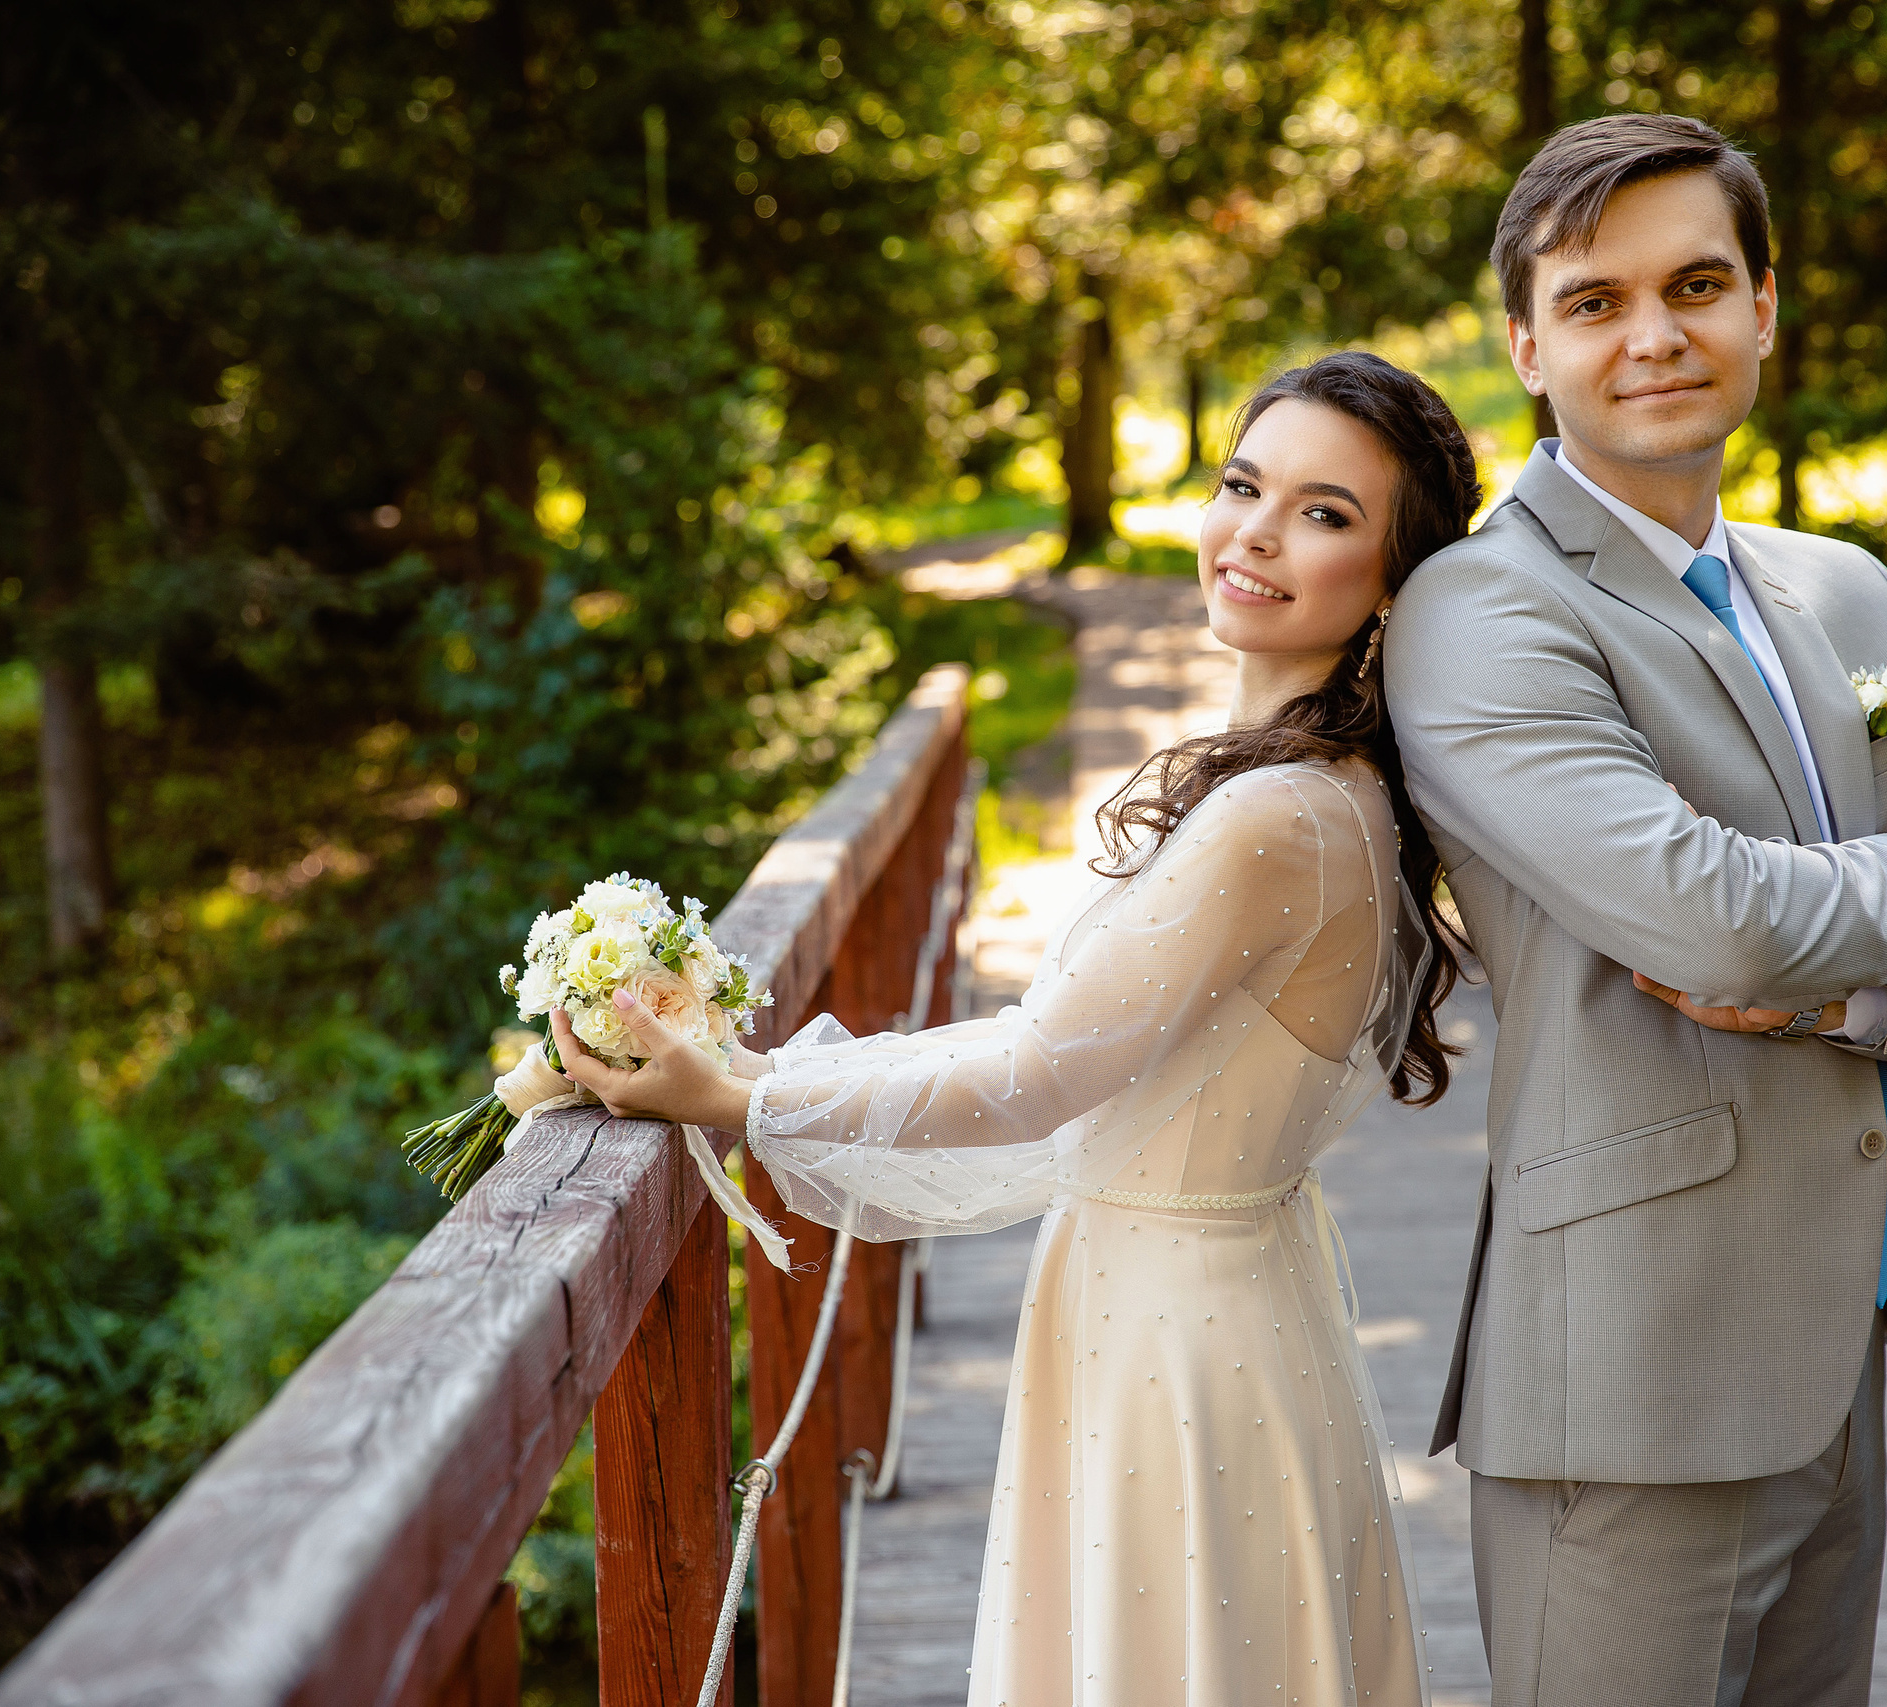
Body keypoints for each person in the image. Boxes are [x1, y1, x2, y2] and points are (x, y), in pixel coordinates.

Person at [550, 350, 1483, 1707]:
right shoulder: (1305, 782)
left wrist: (742, 1105)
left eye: (1327, 513)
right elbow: (1069, 1042)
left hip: (1182, 1329)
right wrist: (754, 1068)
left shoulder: (1281, 816)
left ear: (1396, 580)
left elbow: (1040, 1070)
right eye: (1242, 485)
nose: (1258, 534)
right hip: (1195, 1291)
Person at [1383, 114, 1887, 1706]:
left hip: (1849, 1333)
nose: (1655, 336)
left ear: (1765, 305)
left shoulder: (1843, 591)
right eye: (1595, 300)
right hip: (1631, 1379)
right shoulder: (1484, 612)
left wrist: (1869, 1003)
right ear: (1527, 344)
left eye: (1698, 283)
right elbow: (1723, 930)